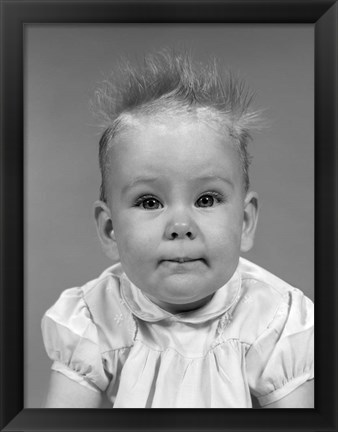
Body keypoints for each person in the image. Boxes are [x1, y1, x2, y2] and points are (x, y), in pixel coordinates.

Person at [41, 51, 314, 408]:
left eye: (206, 199)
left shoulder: (274, 318)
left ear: (244, 222)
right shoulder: (95, 317)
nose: (181, 226)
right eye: (150, 202)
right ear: (110, 230)